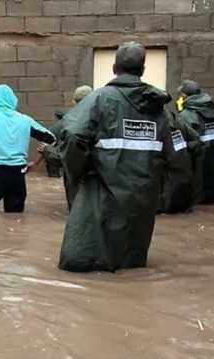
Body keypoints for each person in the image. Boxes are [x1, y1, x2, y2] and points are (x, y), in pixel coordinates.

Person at [58, 42, 174, 272]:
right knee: (130, 265)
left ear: (114, 68)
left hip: (103, 192)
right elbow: (172, 155)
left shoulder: (100, 99)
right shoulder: (158, 109)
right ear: (142, 70)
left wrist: (77, 171)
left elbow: (72, 134)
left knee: (80, 261)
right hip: (142, 198)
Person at [0, 84, 55, 214]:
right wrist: (35, 162)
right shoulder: (26, 120)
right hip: (18, 175)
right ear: (13, 100)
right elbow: (51, 139)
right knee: (14, 218)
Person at [38, 85, 93, 210]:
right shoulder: (107, 118)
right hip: (100, 175)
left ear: (74, 101)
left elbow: (55, 146)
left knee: (78, 212)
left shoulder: (68, 120)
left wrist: (46, 150)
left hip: (75, 172)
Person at [176, 80, 214, 204]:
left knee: (197, 206)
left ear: (184, 97)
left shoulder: (185, 116)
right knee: (213, 205)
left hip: (196, 177)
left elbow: (183, 147)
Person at [158, 108, 199, 214]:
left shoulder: (157, 122)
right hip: (185, 182)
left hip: (169, 184)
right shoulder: (177, 120)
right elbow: (196, 140)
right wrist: (185, 151)